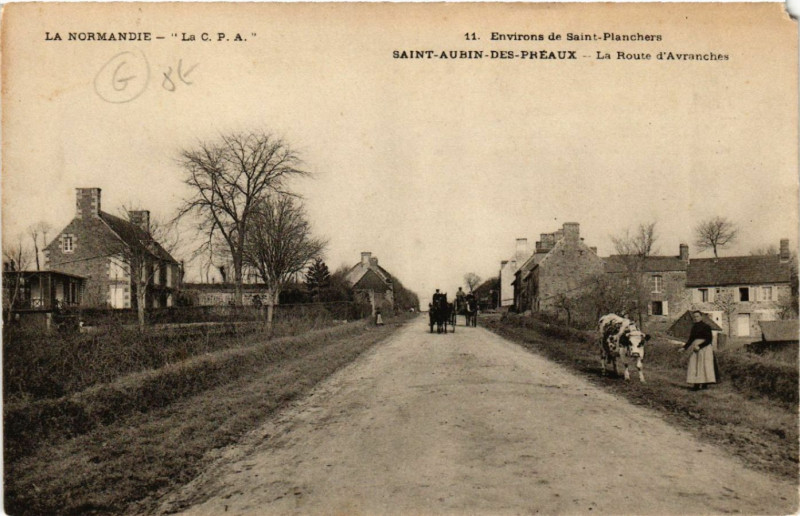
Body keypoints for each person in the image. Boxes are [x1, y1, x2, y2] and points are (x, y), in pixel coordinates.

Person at [682, 310, 716, 390]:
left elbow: (709, 339)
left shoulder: (706, 327)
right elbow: (691, 339)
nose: (696, 318)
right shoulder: (694, 327)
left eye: (697, 316)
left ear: (701, 317)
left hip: (705, 348)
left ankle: (705, 384)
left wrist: (700, 346)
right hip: (696, 347)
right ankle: (696, 385)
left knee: (704, 366)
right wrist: (684, 347)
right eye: (694, 317)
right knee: (695, 365)